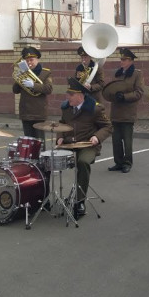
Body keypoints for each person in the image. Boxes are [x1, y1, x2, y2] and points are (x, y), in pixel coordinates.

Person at [57, 78, 113, 219]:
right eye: (67, 93)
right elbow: (61, 123)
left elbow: (108, 126)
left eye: (71, 94)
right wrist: (60, 136)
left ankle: (80, 201)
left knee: (82, 162)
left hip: (88, 145)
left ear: (80, 96)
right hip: (69, 144)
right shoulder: (66, 108)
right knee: (48, 159)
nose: (67, 97)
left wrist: (97, 137)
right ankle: (41, 197)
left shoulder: (95, 108)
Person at [103, 47, 144, 173]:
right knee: (116, 140)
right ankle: (118, 162)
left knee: (127, 141)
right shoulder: (117, 73)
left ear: (131, 61)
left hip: (128, 113)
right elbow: (112, 89)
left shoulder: (137, 74)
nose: (122, 61)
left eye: (124, 60)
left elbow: (139, 93)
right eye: (121, 59)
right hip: (116, 112)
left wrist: (124, 96)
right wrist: (112, 95)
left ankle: (127, 163)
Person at [12, 46, 53, 140]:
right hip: (26, 112)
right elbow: (15, 90)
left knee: (39, 141)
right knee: (28, 141)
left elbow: (48, 89)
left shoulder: (45, 73)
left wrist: (33, 85)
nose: (29, 63)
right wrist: (18, 78)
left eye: (31, 60)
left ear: (37, 59)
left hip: (39, 112)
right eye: (27, 61)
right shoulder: (23, 73)